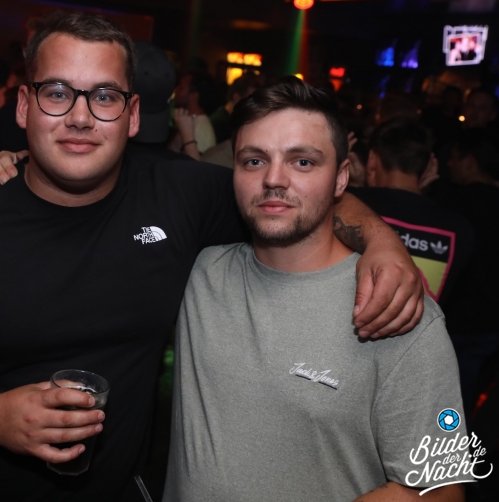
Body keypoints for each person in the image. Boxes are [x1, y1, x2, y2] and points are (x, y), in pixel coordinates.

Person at [0, 13, 422, 502]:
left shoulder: (178, 196)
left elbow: (292, 192)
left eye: (105, 96)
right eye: (57, 93)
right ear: (24, 106)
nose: (81, 116)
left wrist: (382, 241)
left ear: (134, 115)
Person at [163, 77, 469, 502]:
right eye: (254, 160)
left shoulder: (396, 310)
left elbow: (442, 490)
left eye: (303, 162)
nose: (273, 178)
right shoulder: (200, 272)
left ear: (341, 179)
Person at [348, 118, 473, 305]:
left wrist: (350, 186)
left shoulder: (348, 205)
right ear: (428, 166)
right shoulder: (460, 229)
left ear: (372, 159)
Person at [438, 130, 499, 416]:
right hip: (489, 323)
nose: (449, 164)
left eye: (454, 158)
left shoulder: (451, 205)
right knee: (465, 394)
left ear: (470, 162)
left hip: (454, 319)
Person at [168, 71, 218, 159]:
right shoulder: (189, 122)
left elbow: (194, 165)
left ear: (194, 96)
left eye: (181, 87)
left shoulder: (200, 129)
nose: (175, 90)